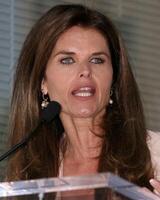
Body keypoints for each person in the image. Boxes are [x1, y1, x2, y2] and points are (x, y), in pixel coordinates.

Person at [6, 3, 160, 198]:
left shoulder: (155, 153)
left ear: (114, 78)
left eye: (97, 60)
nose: (85, 71)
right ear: (42, 81)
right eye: (67, 60)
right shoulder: (30, 175)